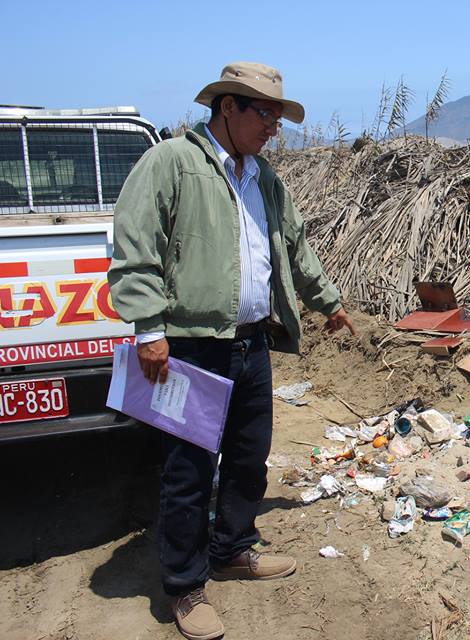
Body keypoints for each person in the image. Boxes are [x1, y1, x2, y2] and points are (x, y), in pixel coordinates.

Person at [108, 61, 355, 640]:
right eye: (264, 114)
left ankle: (233, 547)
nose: (273, 127)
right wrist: (149, 329)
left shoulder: (263, 177)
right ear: (228, 107)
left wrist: (328, 301)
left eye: (277, 117)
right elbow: (135, 240)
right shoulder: (173, 162)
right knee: (189, 468)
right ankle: (185, 587)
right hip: (191, 344)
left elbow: (291, 245)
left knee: (249, 455)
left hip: (250, 341)